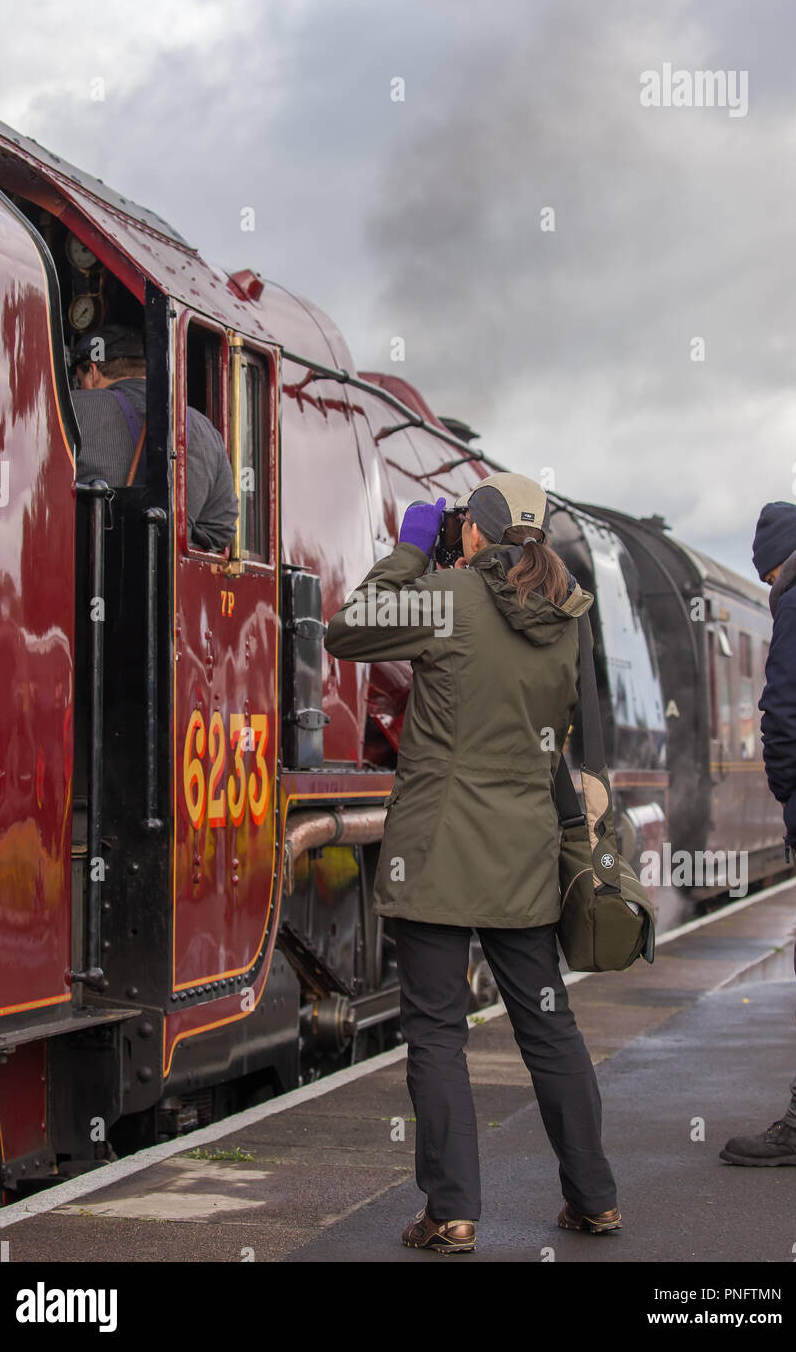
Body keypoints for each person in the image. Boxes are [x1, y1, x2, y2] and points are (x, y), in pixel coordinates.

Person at [324, 472, 620, 1253]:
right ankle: (595, 1198)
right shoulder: (567, 617)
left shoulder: (447, 599)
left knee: (437, 1033)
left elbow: (349, 628)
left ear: (476, 535)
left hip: (436, 857)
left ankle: (451, 1213)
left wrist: (409, 550)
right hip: (524, 856)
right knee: (550, 1027)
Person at [721, 501, 796, 1166]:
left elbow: (785, 712)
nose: (769, 591)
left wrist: (792, 790)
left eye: (766, 579)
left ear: (779, 565)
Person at [70, 325, 238, 552]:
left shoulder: (73, 407)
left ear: (93, 371)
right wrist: (180, 529)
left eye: (81, 381)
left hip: (82, 567)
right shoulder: (203, 427)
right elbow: (221, 528)